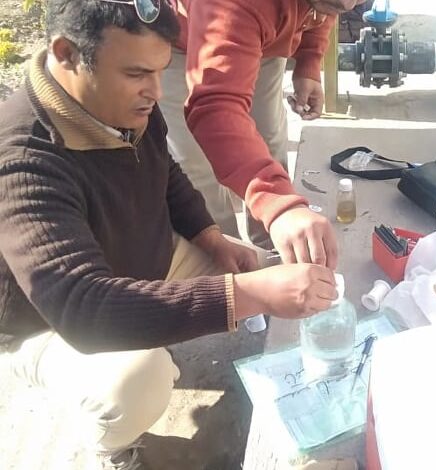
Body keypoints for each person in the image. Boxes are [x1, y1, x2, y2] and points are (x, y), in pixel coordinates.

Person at [0, 0, 336, 468]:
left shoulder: (119, 97)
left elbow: (168, 174)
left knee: (265, 270)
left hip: (136, 259)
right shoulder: (22, 161)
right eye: (137, 74)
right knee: (140, 379)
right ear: (66, 53)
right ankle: (111, 442)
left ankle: (161, 320)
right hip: (47, 321)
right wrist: (245, 295)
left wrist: (212, 239)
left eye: (160, 72)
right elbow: (84, 307)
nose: (156, 92)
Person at [160, 0, 366, 260]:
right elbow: (215, 108)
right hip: (184, 43)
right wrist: (278, 204)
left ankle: (275, 249)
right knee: (197, 167)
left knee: (268, 143)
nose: (350, 4)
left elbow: (325, 8)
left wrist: (309, 61)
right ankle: (226, 260)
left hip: (267, 31)